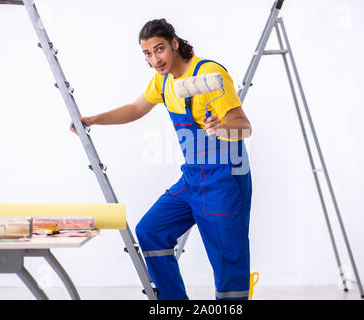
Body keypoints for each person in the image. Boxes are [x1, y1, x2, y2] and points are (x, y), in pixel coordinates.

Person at [70, 18, 253, 300]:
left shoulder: (210, 74)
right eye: (147, 53)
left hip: (224, 181)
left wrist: (221, 127)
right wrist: (93, 119)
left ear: (174, 44)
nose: (155, 59)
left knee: (229, 265)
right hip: (193, 179)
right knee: (150, 231)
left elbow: (245, 127)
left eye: (159, 49)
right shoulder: (163, 79)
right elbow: (135, 108)